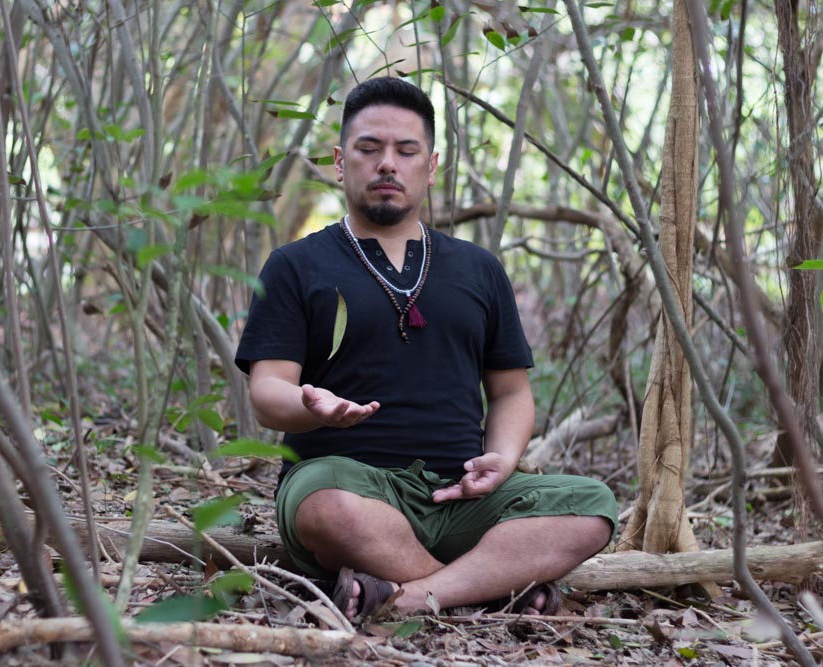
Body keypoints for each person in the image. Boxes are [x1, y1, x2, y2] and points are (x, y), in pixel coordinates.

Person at [235, 76, 617, 621]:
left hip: (463, 494)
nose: (387, 163)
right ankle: (487, 587)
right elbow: (267, 390)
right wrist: (310, 406)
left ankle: (410, 594)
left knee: (592, 507)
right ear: (341, 163)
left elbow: (511, 392)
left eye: (405, 150)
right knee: (325, 504)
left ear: (431, 166)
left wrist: (503, 461)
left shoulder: (478, 268)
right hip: (350, 485)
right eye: (369, 149)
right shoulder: (297, 265)